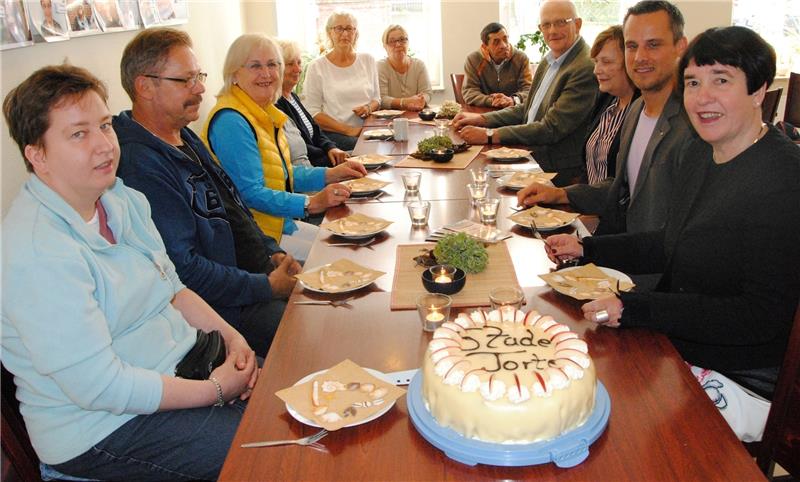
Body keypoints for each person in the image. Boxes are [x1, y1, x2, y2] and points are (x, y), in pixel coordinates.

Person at [1, 64, 257, 481]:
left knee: (292, 397)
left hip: (180, 368)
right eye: (79, 133)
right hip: (103, 428)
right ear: (37, 155)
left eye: (105, 125)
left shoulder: (120, 198)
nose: (104, 145)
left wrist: (233, 340)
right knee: (271, 452)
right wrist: (215, 391)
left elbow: (174, 290)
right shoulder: (36, 251)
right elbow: (101, 387)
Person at [545, 26, 800, 443]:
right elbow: (672, 242)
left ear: (759, 91)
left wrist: (639, 309)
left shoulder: (784, 180)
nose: (703, 97)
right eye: (693, 83)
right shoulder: (701, 152)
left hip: (742, 377)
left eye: (721, 80)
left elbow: (759, 318)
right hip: (682, 344)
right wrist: (587, 248)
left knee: (610, 431)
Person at [114, 28, 299, 357]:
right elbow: (183, 269)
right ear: (145, 87)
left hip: (247, 283)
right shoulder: (139, 165)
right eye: (186, 80)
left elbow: (233, 207)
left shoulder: (181, 133)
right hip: (218, 312)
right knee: (311, 336)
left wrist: (272, 253)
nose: (200, 88)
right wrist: (265, 286)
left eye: (198, 76)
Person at [518, 1, 694, 235]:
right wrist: (561, 194)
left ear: (680, 47)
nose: (640, 56)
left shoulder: (693, 123)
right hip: (618, 248)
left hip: (647, 267)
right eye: (632, 46)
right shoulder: (637, 110)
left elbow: (676, 231)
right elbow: (620, 188)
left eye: (653, 45)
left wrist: (592, 248)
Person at [203, 34, 367, 262]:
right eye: (255, 66)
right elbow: (249, 193)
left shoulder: (262, 112)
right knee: (343, 255)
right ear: (234, 74)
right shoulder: (232, 120)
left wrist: (331, 174)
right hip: (257, 237)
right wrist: (311, 202)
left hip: (279, 224)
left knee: (354, 245)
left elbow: (282, 174)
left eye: (272, 64)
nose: (267, 73)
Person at [453, 0, 598, 186]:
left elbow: (550, 128)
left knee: (481, 186)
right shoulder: (550, 59)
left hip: (556, 169)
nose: (552, 30)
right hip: (530, 152)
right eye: (546, 25)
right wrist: (482, 120)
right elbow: (527, 110)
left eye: (561, 22)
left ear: (577, 24)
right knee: (474, 178)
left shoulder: (584, 67)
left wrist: (489, 134)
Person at [303, 11, 380, 151]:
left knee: (396, 140)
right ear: (329, 32)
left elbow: (376, 99)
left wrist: (368, 108)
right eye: (339, 28)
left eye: (349, 28)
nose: (345, 34)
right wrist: (349, 130)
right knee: (371, 147)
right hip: (335, 134)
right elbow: (312, 113)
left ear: (356, 32)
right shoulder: (316, 67)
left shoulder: (368, 60)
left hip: (367, 129)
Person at [275, 39, 348, 167]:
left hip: (324, 159)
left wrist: (331, 148)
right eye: (290, 64)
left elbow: (316, 131)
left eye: (299, 63)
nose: (297, 69)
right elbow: (299, 148)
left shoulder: (293, 96)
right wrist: (330, 157)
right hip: (311, 167)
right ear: (276, 67)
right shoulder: (276, 104)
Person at [583, 26, 638, 184]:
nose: (596, 70)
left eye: (606, 62)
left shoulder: (641, 110)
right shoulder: (605, 99)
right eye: (596, 62)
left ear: (630, 62)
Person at [461, 22, 532, 108]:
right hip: (484, 111)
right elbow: (470, 92)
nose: (503, 45)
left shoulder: (521, 58)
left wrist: (512, 100)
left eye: (505, 39)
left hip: (514, 111)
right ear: (485, 46)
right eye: (496, 42)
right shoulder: (473, 60)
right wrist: (492, 101)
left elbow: (529, 90)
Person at [377, 24, 432, 111]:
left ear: (408, 42)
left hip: (416, 115)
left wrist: (420, 101)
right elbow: (382, 99)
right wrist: (405, 102)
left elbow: (427, 93)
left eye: (402, 40)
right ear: (385, 46)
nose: (398, 44)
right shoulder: (380, 66)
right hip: (390, 119)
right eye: (392, 41)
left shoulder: (419, 65)